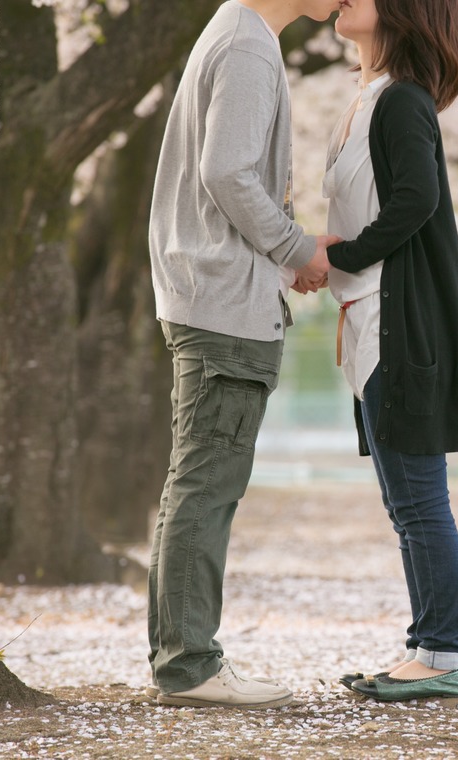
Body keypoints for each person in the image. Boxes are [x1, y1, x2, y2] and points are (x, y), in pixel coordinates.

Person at [146, 0, 339, 709]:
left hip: (210, 295)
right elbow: (228, 172)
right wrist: (296, 248)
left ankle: (181, 659)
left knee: (194, 484)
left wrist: (286, 264)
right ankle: (190, 666)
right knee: (206, 485)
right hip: (223, 308)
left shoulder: (236, 32)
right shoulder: (249, 45)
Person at [317, 0, 458, 701]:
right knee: (405, 503)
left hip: (401, 327)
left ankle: (443, 654)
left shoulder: (402, 102)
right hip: (370, 322)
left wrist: (337, 259)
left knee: (420, 500)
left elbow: (416, 198)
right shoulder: (369, 98)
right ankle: (425, 646)